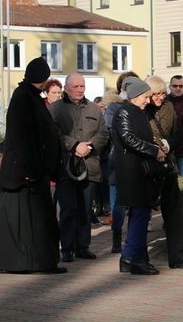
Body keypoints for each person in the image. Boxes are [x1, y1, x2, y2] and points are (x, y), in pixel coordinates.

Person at [0, 57, 65, 273]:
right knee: (26, 222)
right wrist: (30, 170)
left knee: (36, 221)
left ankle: (39, 261)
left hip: (33, 170)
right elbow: (22, 138)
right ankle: (24, 262)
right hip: (25, 172)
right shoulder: (24, 98)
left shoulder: (30, 96)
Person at [48, 73, 108, 263]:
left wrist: (89, 146)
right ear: (66, 88)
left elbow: (104, 133)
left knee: (85, 210)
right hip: (66, 168)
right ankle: (66, 248)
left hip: (89, 167)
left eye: (82, 86)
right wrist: (74, 145)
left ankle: (83, 246)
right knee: (68, 210)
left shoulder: (94, 108)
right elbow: (53, 134)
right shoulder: (55, 109)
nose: (80, 90)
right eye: (76, 87)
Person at [112, 77, 166, 275]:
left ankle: (129, 258)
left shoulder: (137, 112)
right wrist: (154, 151)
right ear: (135, 96)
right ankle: (136, 260)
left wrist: (156, 147)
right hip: (131, 172)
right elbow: (129, 139)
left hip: (140, 170)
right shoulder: (124, 113)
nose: (148, 100)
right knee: (140, 216)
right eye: (145, 97)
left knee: (139, 216)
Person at [145, 75, 183, 269]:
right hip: (148, 165)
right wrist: (155, 150)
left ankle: (177, 256)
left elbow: (178, 133)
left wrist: (168, 145)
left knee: (173, 211)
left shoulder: (169, 107)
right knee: (141, 212)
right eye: (156, 94)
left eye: (163, 93)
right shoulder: (141, 110)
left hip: (168, 163)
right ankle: (139, 256)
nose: (160, 98)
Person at [104, 73, 138, 252]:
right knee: (118, 203)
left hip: (132, 160)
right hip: (117, 160)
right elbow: (111, 130)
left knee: (133, 202)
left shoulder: (139, 106)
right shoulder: (114, 107)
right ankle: (117, 238)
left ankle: (131, 239)